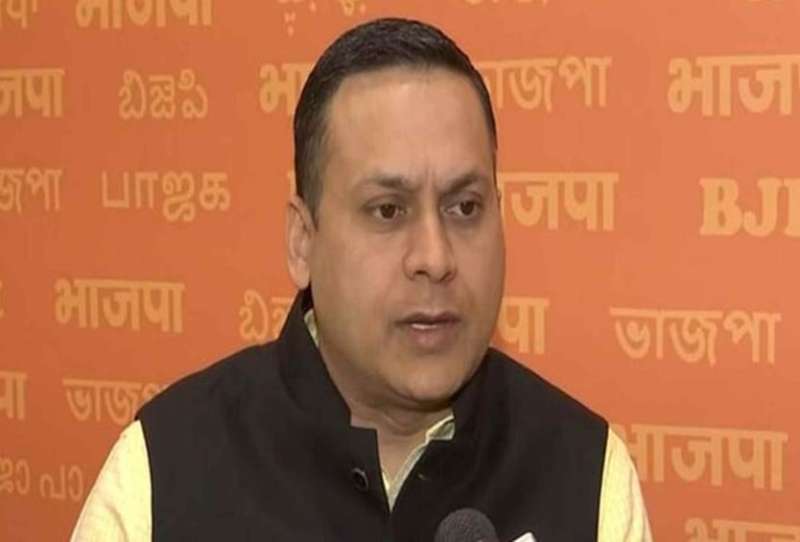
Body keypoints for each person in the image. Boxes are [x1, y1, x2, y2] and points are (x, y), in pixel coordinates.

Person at [71, 17, 652, 541]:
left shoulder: (587, 477)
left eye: (465, 207)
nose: (435, 257)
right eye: (388, 210)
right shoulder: (164, 471)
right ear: (303, 241)